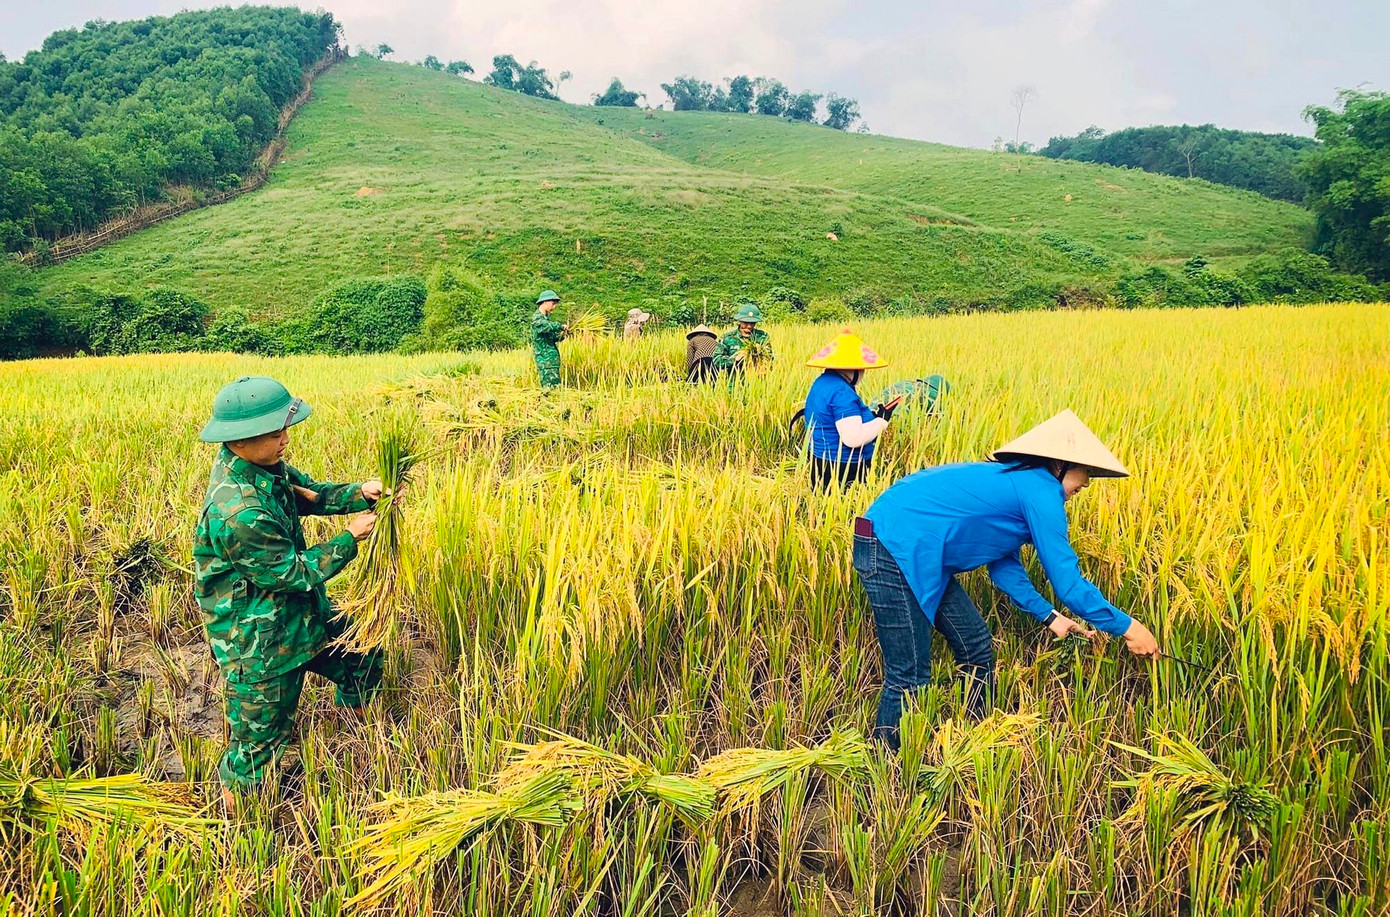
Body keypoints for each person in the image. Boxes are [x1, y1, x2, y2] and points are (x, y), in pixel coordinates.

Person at [853, 409, 1161, 750]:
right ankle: (886, 764)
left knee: (976, 648)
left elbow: (1004, 567)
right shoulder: (1041, 492)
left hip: (918, 553)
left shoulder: (1021, 487)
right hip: (892, 546)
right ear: (1058, 465)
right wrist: (1130, 628)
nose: (1086, 483)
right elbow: (1069, 584)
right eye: (1084, 472)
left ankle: (972, 739)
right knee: (908, 675)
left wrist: (1051, 618)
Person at [193, 376, 387, 810]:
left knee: (363, 655)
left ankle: (355, 734)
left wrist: (360, 493)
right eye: (275, 432)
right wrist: (349, 539)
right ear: (239, 440)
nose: (285, 439)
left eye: (286, 428)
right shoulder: (238, 509)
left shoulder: (264, 467)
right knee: (257, 749)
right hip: (260, 641)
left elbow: (311, 494)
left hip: (299, 615)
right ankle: (240, 833)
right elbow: (293, 573)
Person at [802, 329, 894, 490]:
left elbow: (833, 418)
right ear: (853, 369)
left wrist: (869, 419)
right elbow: (853, 438)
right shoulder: (841, 393)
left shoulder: (822, 382)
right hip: (843, 470)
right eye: (862, 368)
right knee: (851, 512)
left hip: (819, 462)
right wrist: (881, 421)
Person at [711, 303, 772, 378]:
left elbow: (770, 359)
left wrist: (760, 354)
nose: (749, 326)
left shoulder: (762, 337)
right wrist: (735, 359)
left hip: (758, 382)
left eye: (752, 323)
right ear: (739, 321)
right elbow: (716, 361)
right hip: (734, 384)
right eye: (745, 323)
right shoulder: (727, 338)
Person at [532, 290, 566, 389]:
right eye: (553, 303)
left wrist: (563, 335)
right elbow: (546, 326)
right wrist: (560, 326)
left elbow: (552, 338)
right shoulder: (537, 319)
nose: (554, 306)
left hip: (551, 360)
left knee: (556, 388)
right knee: (549, 390)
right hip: (545, 361)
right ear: (545, 302)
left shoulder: (546, 318)